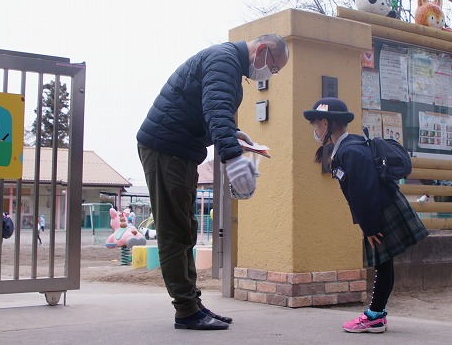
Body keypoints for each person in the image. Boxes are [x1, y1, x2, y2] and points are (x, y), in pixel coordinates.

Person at [137, 34, 289, 331]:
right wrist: (233, 159)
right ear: (261, 51)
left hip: (178, 150)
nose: (271, 74)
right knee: (175, 232)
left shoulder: (228, 64)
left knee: (186, 228)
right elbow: (216, 110)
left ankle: (192, 303)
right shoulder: (224, 61)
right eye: (274, 67)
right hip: (166, 148)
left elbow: (210, 111)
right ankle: (186, 310)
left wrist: (236, 135)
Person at [303, 98, 428, 334]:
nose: (315, 130)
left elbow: (365, 191)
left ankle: (375, 316)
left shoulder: (350, 151)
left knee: (383, 263)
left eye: (316, 124)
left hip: (380, 210)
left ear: (327, 123)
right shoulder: (348, 147)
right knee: (384, 263)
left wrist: (369, 227)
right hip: (381, 208)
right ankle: (376, 314)